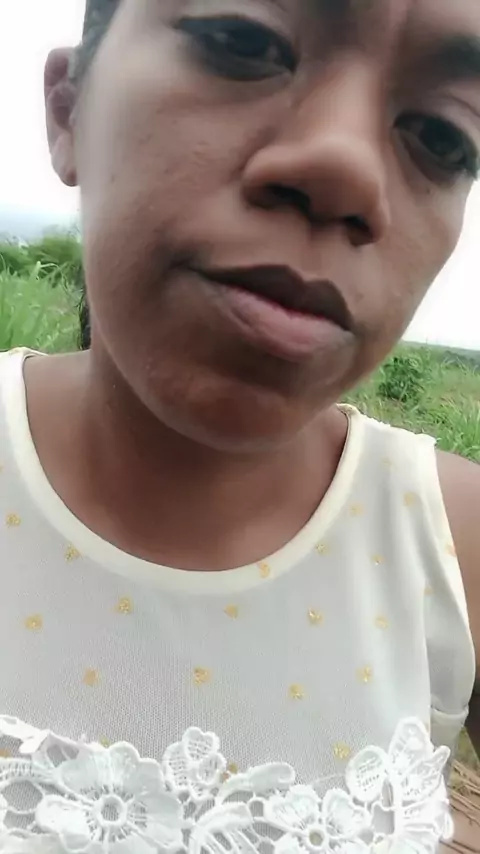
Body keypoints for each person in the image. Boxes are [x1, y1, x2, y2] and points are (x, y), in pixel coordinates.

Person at [0, 0, 480, 850]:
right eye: (242, 41)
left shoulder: (454, 544)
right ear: (69, 109)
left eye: (443, 138)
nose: (345, 169)